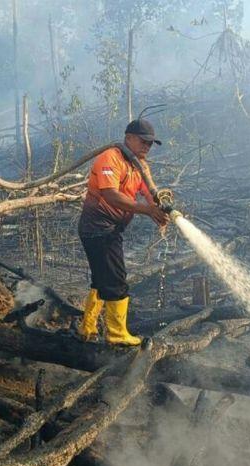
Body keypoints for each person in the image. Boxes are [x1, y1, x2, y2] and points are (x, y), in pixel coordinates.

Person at [77, 118, 169, 346]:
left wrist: (160, 208)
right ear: (128, 138)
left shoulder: (140, 165)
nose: (147, 146)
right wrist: (147, 210)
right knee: (116, 281)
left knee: (101, 279)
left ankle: (87, 329)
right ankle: (117, 335)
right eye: (143, 141)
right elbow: (111, 195)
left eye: (150, 143)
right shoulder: (111, 158)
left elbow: (150, 192)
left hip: (110, 229)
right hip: (98, 228)